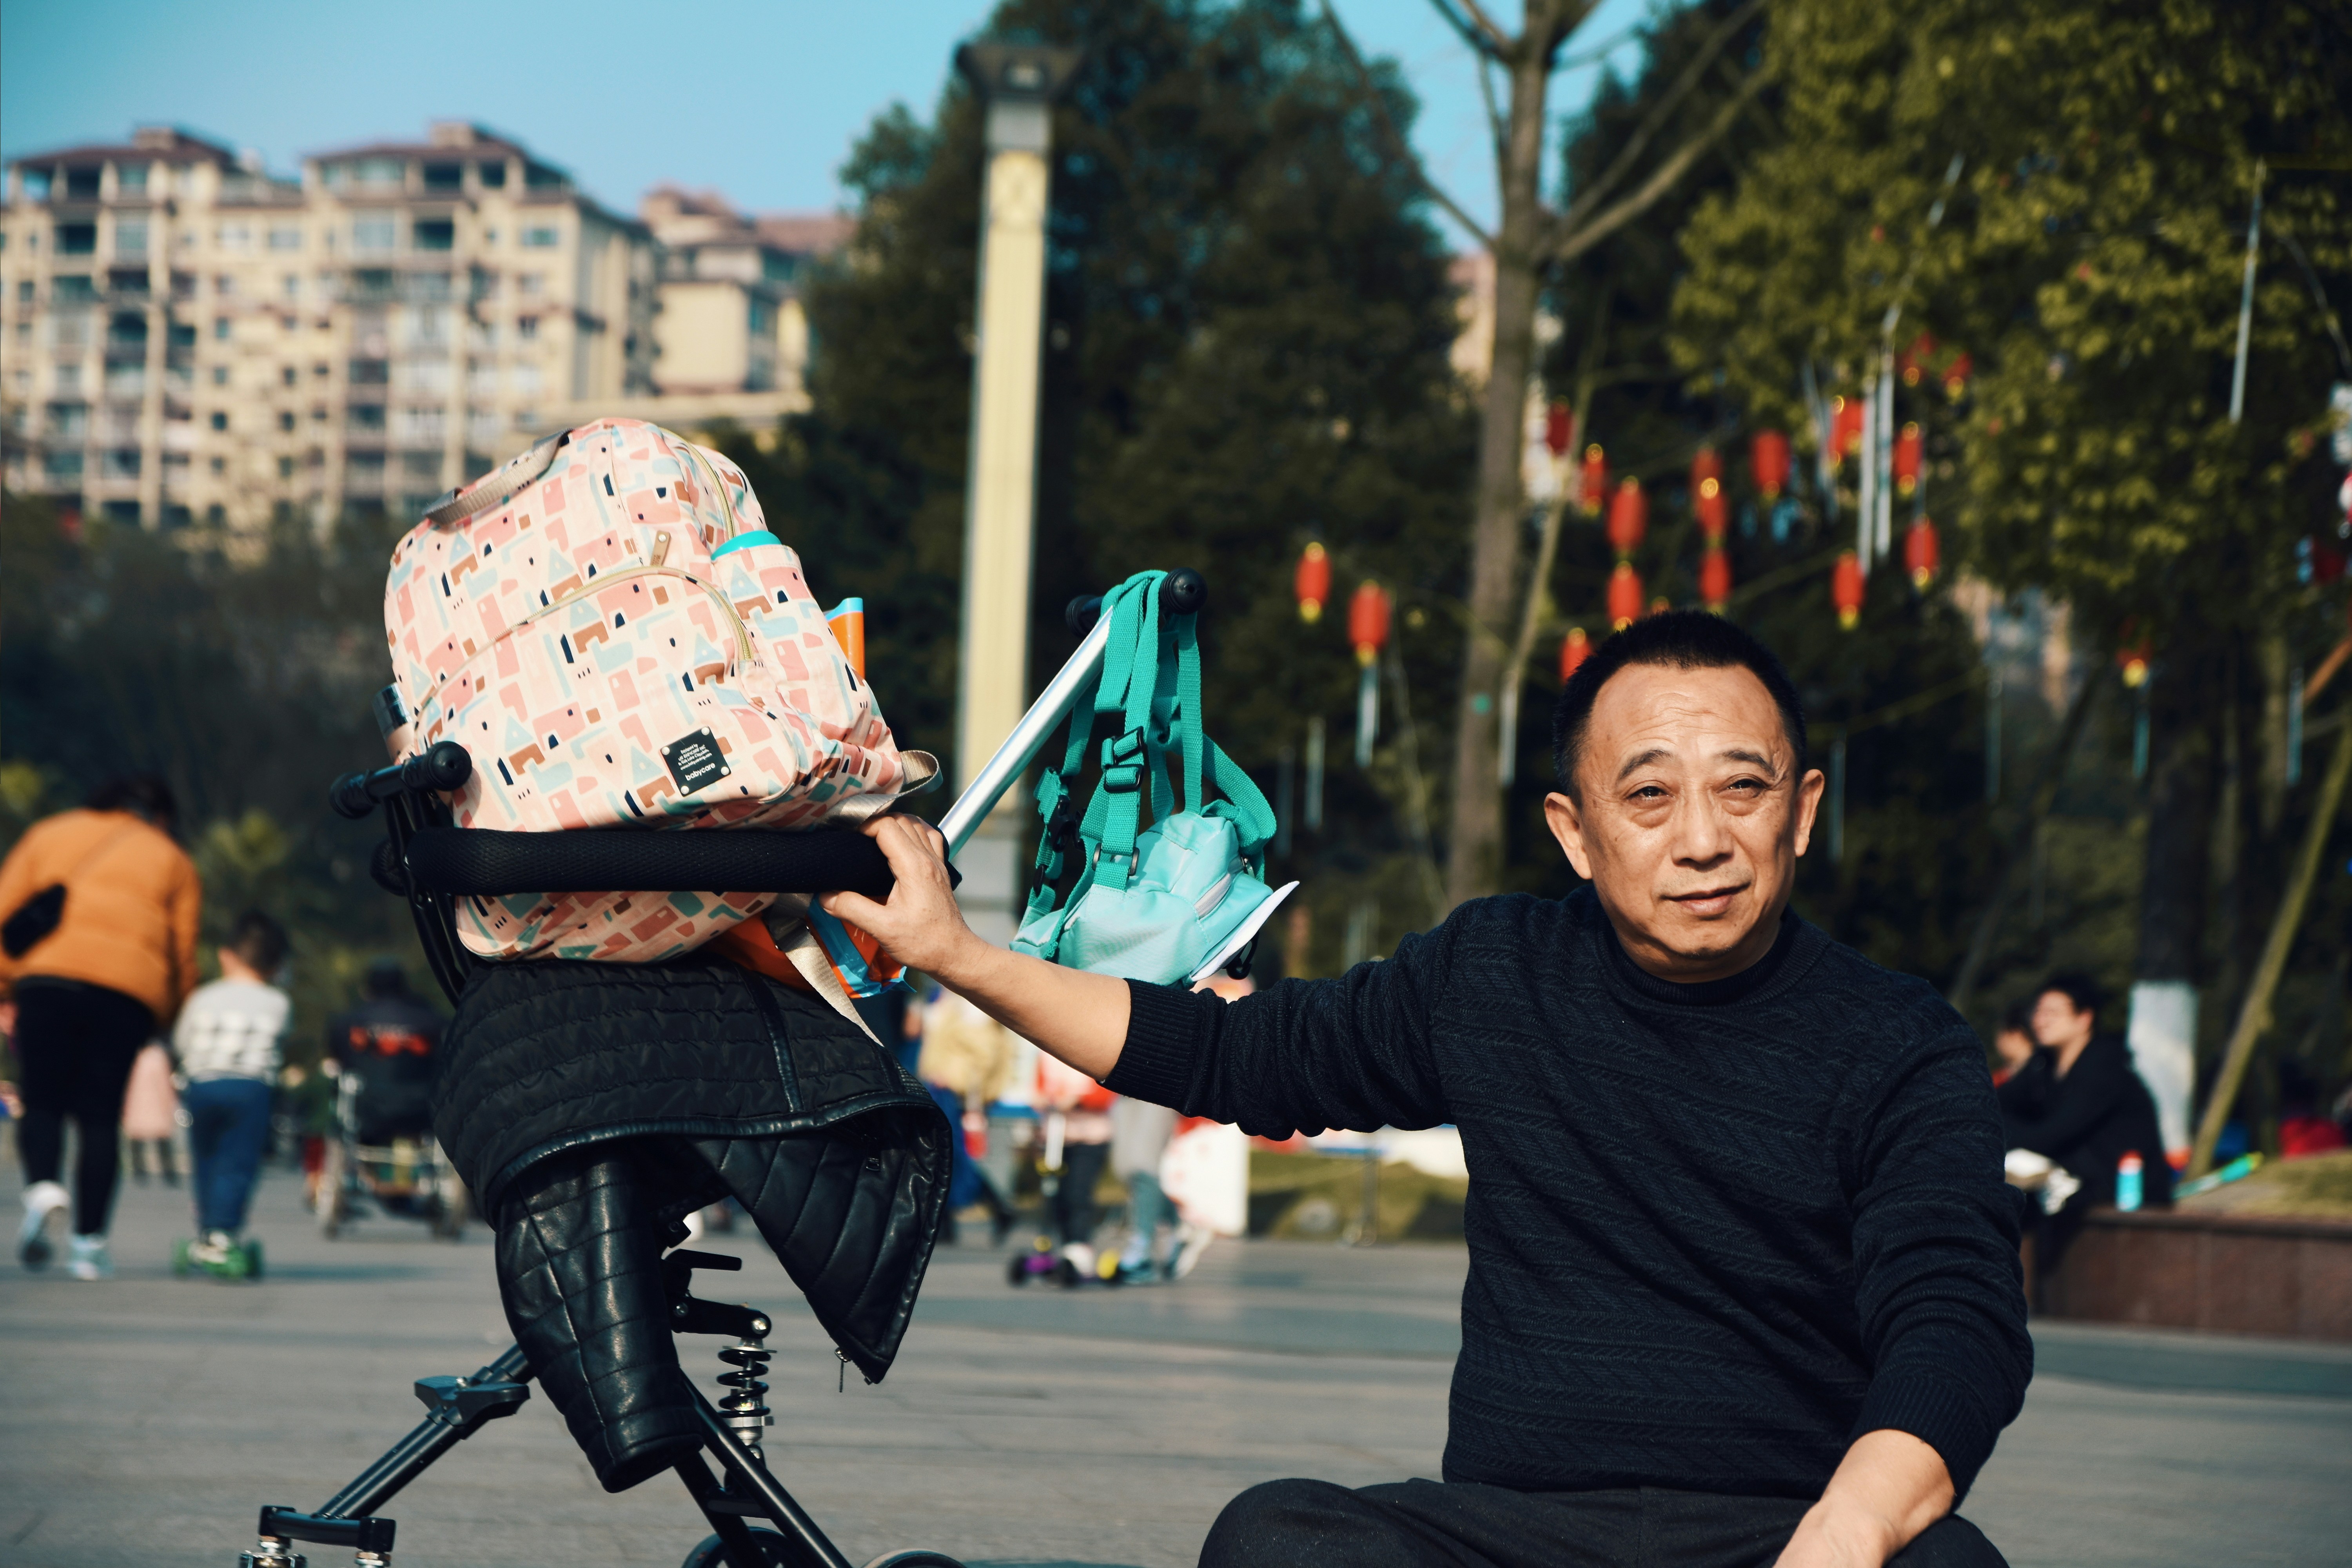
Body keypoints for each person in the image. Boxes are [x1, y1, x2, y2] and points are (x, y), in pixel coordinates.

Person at [826, 610, 2029, 1568]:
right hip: (1512, 1534)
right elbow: (1235, 1054)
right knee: (1278, 1538)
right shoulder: (1495, 972)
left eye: (1743, 789)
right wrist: (958, 955)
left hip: (1780, 1531)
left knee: (1947, 1561)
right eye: (1649, 795)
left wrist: (1845, 1533)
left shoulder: (1899, 1042)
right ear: (1575, 830)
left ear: (1801, 811)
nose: (1702, 839)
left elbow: (1956, 1322)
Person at [1, 775, 201, 1279]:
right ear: (163, 817)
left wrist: (6, 985)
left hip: (46, 981)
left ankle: (44, 1187)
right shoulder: (172, 859)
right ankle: (88, 1247)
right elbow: (182, 952)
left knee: (42, 1097)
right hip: (127, 995)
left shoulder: (51, 832)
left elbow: (5, 909)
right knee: (100, 1116)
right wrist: (167, 1014)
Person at [2002, 972, 2173, 1279]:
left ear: (2084, 1019)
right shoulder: (2044, 1064)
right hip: (2076, 1185)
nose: (2041, 1021)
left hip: (2126, 1192)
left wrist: (2001, 1137)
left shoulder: (2104, 1067)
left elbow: (2054, 1135)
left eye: (2053, 1012)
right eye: (2038, 1012)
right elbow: (1998, 1103)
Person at [173, 910, 292, 1272]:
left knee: (206, 1158)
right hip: (249, 1087)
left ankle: (208, 1232)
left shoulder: (202, 997)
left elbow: (181, 1041)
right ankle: (223, 1233)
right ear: (275, 966)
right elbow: (280, 1044)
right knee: (238, 1161)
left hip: (202, 1085)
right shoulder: (278, 1002)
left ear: (226, 956)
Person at [915, 988, 1019, 1244]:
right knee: (943, 1154)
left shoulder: (968, 1002)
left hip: (955, 1092)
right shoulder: (947, 998)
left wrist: (970, 1091)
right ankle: (951, 1220)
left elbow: (985, 1052)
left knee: (950, 1155)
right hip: (942, 1088)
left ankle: (991, 1208)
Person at [325, 956, 444, 1152]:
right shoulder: (430, 1020)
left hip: (367, 1111)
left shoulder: (348, 1021)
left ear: (367, 988)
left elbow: (338, 1061)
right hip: (420, 1112)